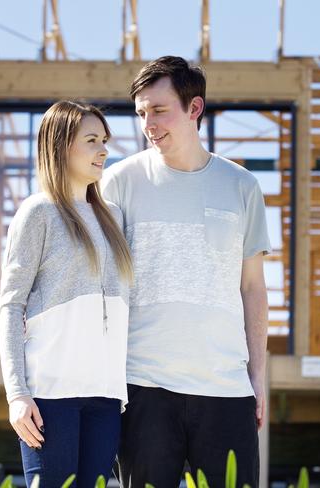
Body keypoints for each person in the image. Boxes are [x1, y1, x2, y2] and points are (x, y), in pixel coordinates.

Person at [101, 56, 271, 488]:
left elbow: (252, 288)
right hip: (143, 386)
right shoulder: (118, 183)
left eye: (159, 110)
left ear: (194, 108)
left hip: (226, 388)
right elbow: (101, 281)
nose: (148, 124)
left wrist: (257, 378)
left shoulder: (242, 187)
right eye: (141, 113)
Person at [0, 101, 133, 488]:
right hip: (50, 398)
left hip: (106, 398)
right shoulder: (38, 212)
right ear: (60, 146)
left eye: (104, 140)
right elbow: (10, 306)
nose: (103, 149)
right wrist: (17, 394)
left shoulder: (115, 218)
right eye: (91, 140)